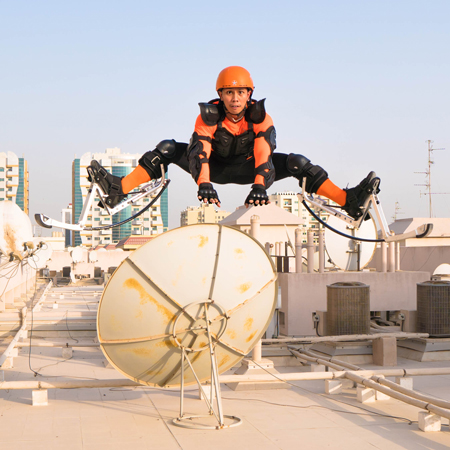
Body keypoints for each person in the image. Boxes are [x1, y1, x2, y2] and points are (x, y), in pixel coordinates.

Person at [89, 66, 377, 219]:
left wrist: (259, 187)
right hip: (213, 170)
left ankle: (348, 201)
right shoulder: (208, 117)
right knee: (166, 148)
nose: (235, 98)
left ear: (249, 94)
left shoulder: (261, 117)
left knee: (298, 162)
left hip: (251, 170)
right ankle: (118, 189)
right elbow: (200, 152)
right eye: (229, 92)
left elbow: (264, 153)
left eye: (241, 92)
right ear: (220, 94)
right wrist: (203, 183)